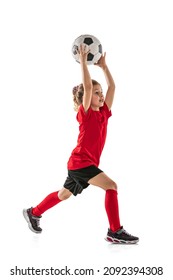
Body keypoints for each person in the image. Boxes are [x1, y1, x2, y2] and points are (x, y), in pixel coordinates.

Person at [23, 45, 139, 244]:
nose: (101, 95)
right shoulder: (85, 115)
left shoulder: (103, 113)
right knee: (111, 186)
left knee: (63, 194)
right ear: (86, 97)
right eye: (96, 92)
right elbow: (86, 86)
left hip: (80, 164)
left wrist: (104, 67)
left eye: (100, 92)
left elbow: (113, 88)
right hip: (81, 163)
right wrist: (84, 63)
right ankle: (114, 231)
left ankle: (33, 213)